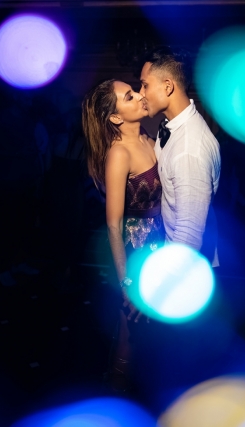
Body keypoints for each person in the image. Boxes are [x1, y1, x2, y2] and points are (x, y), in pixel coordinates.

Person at [81, 78, 164, 393]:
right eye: (130, 97)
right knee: (130, 331)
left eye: (135, 90)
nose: (141, 96)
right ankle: (117, 394)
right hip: (135, 248)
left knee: (154, 329)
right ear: (116, 117)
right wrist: (126, 282)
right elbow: (113, 224)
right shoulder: (119, 153)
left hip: (159, 241)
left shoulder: (147, 136)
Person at [138, 46, 221, 264]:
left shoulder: (190, 150)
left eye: (145, 85)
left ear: (167, 86)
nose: (141, 93)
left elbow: (189, 236)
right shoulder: (170, 127)